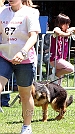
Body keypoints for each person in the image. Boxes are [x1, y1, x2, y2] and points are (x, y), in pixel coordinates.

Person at [0, 0, 41, 134]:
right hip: (5, 56)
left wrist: (23, 52)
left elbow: (33, 36)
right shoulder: (2, 12)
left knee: (25, 95)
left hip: (25, 59)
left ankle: (26, 127)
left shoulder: (31, 12)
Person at [49, 13, 75, 85]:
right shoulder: (57, 29)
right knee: (70, 68)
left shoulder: (67, 30)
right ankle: (54, 75)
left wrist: (71, 29)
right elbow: (58, 32)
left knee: (58, 82)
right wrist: (68, 34)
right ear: (60, 23)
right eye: (66, 24)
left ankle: (56, 87)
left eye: (68, 24)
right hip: (55, 58)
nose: (67, 26)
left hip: (61, 58)